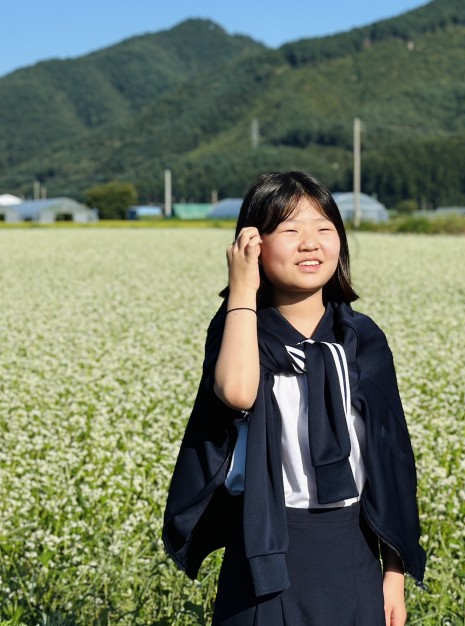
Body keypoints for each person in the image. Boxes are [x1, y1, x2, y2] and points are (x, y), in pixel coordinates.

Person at [163, 171, 425, 625]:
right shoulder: (238, 330)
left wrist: (394, 573)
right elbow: (237, 393)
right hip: (265, 551)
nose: (310, 243)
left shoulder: (363, 340)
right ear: (253, 243)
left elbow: (392, 463)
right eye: (290, 230)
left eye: (324, 228)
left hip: (353, 552)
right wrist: (242, 288)